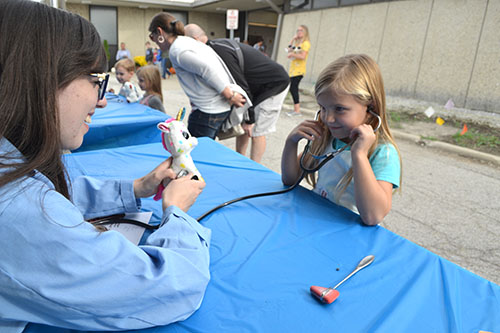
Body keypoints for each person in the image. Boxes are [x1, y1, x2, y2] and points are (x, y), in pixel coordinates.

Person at [0, 1, 209, 331]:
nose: (101, 99)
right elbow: (166, 287)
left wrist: (137, 187)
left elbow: (45, 190)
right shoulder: (15, 209)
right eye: (97, 79)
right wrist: (178, 213)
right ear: (38, 79)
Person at [281, 54, 402, 226]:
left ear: (371, 108)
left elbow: (373, 216)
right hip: (317, 223)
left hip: (350, 237)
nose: (328, 119)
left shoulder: (383, 152)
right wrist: (291, 143)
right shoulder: (327, 138)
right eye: (323, 108)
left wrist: (359, 155)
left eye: (339, 109)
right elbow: (290, 179)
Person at [185, 24, 289, 164]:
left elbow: (240, 85)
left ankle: (254, 168)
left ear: (195, 39)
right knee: (243, 125)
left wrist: (250, 118)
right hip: (255, 86)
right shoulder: (213, 49)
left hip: (274, 84)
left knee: (256, 130)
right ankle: (240, 160)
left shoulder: (219, 51)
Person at [148, 12, 246, 139]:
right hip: (218, 108)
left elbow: (207, 69)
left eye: (152, 36)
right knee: (206, 150)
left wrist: (230, 95)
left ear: (159, 32)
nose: (154, 41)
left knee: (194, 154)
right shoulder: (187, 42)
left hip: (207, 111)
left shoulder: (177, 50)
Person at [286, 25, 311, 116]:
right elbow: (289, 49)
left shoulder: (306, 43)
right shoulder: (297, 44)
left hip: (299, 70)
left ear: (305, 32)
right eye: (298, 30)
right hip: (293, 70)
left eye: (301, 30)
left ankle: (297, 110)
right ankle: (296, 109)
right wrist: (292, 39)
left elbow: (303, 56)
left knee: (293, 88)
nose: (299, 32)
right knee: (292, 88)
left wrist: (293, 54)